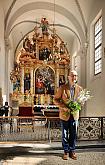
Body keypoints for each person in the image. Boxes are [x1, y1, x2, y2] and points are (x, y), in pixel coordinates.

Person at [54, 70, 83, 160]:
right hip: (64, 114)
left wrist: (79, 105)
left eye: (76, 76)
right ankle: (66, 151)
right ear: (68, 77)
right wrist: (63, 107)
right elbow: (55, 100)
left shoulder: (80, 89)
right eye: (72, 76)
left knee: (73, 134)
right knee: (65, 134)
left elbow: (82, 101)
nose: (74, 77)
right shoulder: (62, 88)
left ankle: (72, 151)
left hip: (74, 115)